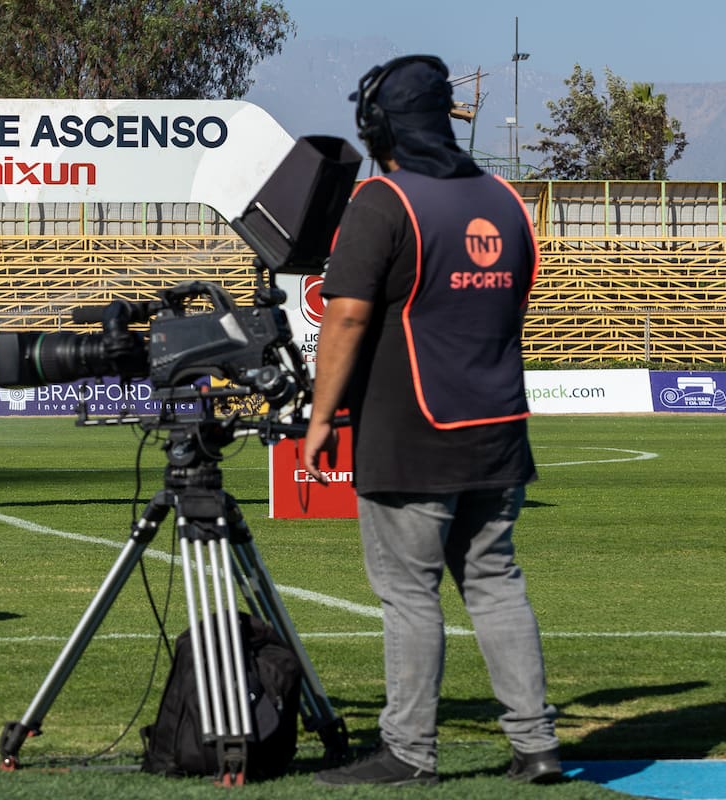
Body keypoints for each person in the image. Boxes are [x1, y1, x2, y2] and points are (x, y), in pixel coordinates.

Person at [303, 55, 561, 787]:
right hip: (498, 426)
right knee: (496, 583)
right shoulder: (506, 200)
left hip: (411, 432)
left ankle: (410, 752)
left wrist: (320, 417)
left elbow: (346, 316)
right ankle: (537, 744)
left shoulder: (383, 201)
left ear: (379, 127)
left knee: (410, 595)